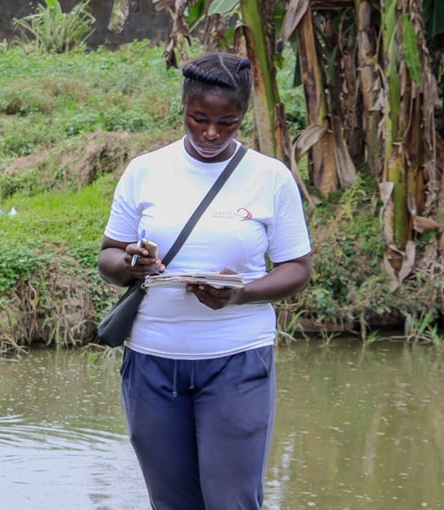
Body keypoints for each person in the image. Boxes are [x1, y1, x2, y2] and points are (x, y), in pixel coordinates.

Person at [97, 52, 313, 509]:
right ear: (184, 110)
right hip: (152, 362)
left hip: (236, 360)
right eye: (200, 119)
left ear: (242, 117)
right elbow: (108, 256)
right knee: (172, 502)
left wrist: (241, 294)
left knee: (232, 500)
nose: (212, 133)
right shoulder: (145, 171)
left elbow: (297, 269)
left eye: (227, 122)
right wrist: (130, 262)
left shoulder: (270, 178)